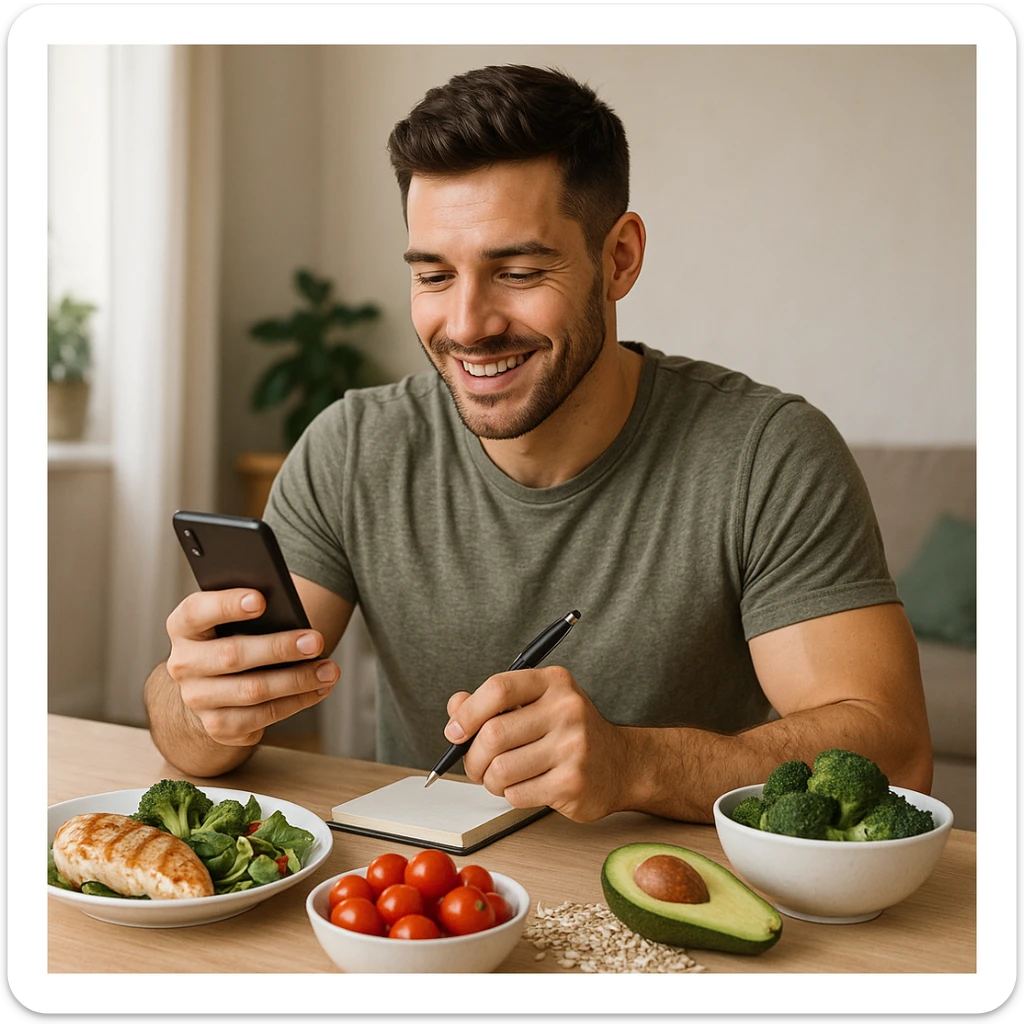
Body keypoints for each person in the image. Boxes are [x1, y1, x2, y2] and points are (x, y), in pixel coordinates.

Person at [145, 64, 932, 824]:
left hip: (681, 898)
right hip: (433, 895)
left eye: (517, 271)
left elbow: (895, 756)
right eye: (434, 276)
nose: (466, 325)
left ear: (619, 258)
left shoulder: (768, 455)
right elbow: (197, 740)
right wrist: (199, 703)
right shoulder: (353, 448)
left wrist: (636, 764)